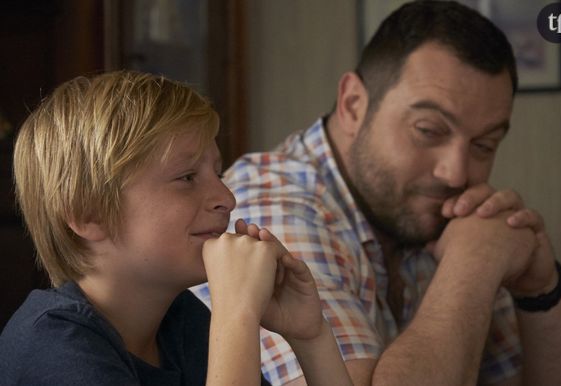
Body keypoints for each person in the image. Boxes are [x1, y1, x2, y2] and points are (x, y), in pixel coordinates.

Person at [192, 1, 561, 385]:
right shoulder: (271, 210)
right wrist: (471, 266)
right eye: (429, 130)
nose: (456, 172)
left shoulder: (430, 213)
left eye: (484, 145)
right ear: (354, 104)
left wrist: (540, 290)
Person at [0, 71, 352, 386]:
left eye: (218, 172)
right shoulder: (51, 346)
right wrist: (237, 313)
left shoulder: (180, 322)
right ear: (89, 213)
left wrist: (311, 336)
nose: (226, 198)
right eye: (186, 178)